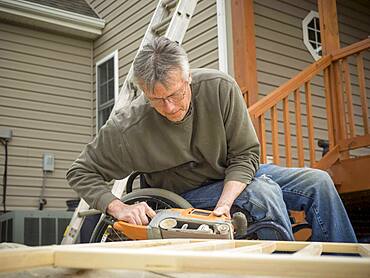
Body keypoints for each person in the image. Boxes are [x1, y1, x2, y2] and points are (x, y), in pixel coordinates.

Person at [66, 36, 357, 242]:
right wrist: (119, 206)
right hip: (184, 194)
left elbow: (245, 155)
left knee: (318, 182)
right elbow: (80, 172)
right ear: (144, 92)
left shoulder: (219, 89)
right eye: (157, 100)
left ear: (188, 77)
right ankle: (283, 268)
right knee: (262, 193)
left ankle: (342, 266)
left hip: (233, 177)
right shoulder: (128, 127)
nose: (169, 108)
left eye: (175, 94)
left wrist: (225, 203)